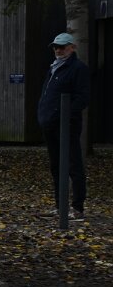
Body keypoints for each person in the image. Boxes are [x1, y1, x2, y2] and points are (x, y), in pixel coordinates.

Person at [36, 32, 90, 221]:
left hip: (67, 125)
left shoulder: (78, 68)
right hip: (50, 124)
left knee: (73, 165)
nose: (58, 50)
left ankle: (77, 208)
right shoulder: (54, 68)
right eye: (55, 47)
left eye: (62, 47)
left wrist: (64, 115)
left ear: (72, 48)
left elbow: (83, 98)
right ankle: (60, 206)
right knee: (56, 165)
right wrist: (44, 115)